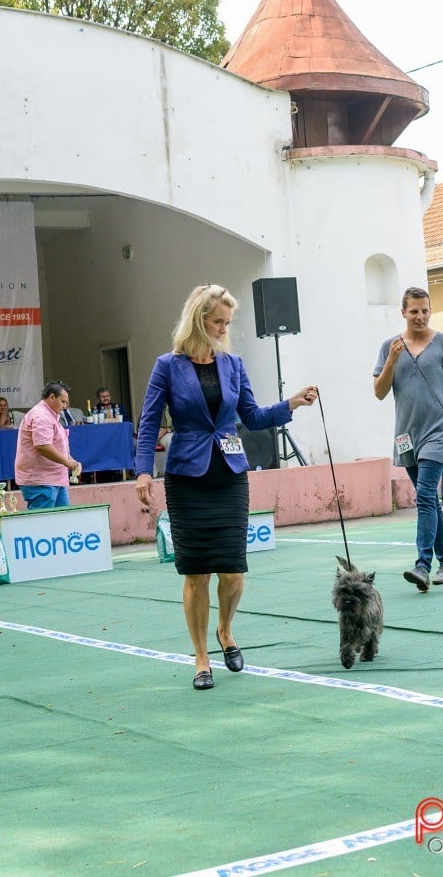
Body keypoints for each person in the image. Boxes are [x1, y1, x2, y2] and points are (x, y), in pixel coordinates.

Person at [134, 283, 318, 691]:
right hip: (186, 477)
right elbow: (148, 424)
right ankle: (201, 658)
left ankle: (225, 629)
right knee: (197, 573)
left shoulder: (233, 364)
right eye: (218, 321)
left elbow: (250, 416)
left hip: (230, 474)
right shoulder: (167, 365)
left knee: (233, 571)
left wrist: (291, 404)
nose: (223, 328)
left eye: (227, 322)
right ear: (199, 318)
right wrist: (143, 471)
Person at [374, 286, 443, 592]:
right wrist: (391, 360)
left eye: (425, 310)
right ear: (403, 313)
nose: (420, 316)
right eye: (414, 311)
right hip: (406, 435)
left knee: (426, 495)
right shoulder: (391, 346)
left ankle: (422, 565)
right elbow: (379, 391)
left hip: (438, 432)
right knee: (430, 500)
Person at [14, 381, 82, 510]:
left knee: (62, 522)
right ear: (52, 397)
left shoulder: (49, 415)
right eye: (63, 401)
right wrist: (66, 462)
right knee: (41, 525)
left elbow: (55, 445)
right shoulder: (41, 416)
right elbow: (43, 446)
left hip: (53, 479)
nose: (65, 406)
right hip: (41, 481)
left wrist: (70, 459)